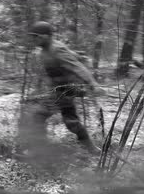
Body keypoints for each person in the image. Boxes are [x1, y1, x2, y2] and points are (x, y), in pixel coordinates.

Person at [23, 21, 103, 155]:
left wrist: (93, 84)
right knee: (71, 121)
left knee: (38, 115)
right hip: (60, 90)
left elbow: (77, 67)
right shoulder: (46, 50)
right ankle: (91, 148)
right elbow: (72, 58)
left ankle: (38, 150)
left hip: (64, 91)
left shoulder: (56, 49)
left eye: (37, 36)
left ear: (46, 36)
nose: (34, 39)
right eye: (33, 36)